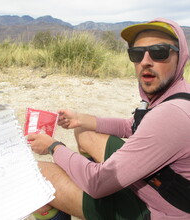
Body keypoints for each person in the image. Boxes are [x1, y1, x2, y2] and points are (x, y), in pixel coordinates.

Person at [28, 17, 190, 220]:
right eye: (137, 54)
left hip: (157, 210)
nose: (145, 61)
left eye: (159, 52)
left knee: (35, 174)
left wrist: (53, 147)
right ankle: (82, 188)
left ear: (181, 55)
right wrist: (80, 119)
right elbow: (133, 126)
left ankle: (82, 197)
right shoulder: (176, 93)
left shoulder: (171, 115)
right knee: (84, 132)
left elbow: (97, 184)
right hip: (151, 184)